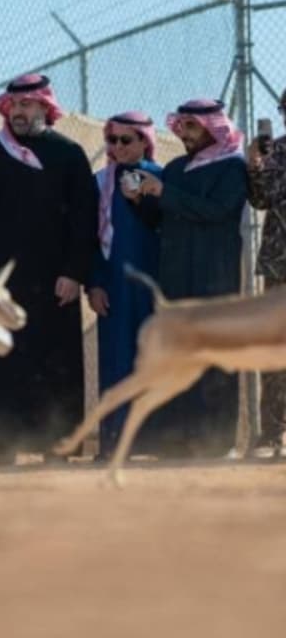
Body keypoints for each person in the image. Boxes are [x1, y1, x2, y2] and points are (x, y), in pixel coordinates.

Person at [0, 74, 98, 463]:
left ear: (44, 107)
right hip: (2, 282)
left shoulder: (69, 154)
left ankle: (58, 443)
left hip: (55, 280)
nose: (18, 112)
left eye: (26, 105)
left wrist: (74, 272)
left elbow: (84, 221)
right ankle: (1, 443)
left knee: (57, 364)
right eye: (13, 105)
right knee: (3, 363)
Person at [130, 98, 247, 458]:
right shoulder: (177, 167)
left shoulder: (232, 168)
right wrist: (142, 200)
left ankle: (215, 440)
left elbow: (217, 211)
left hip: (215, 275)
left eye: (191, 127)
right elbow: (164, 219)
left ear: (213, 127)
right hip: (177, 276)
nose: (184, 135)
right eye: (181, 127)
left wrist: (165, 192)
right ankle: (178, 438)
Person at [85, 112, 164, 459]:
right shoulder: (98, 182)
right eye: (112, 141)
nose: (117, 148)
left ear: (144, 142)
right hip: (113, 286)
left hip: (151, 285)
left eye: (125, 140)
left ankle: (154, 443)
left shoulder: (161, 179)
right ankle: (114, 444)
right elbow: (89, 240)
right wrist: (95, 285)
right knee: (116, 361)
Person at [247, 89, 286, 459]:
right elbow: (261, 200)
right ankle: (272, 434)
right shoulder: (277, 152)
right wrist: (255, 165)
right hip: (280, 264)